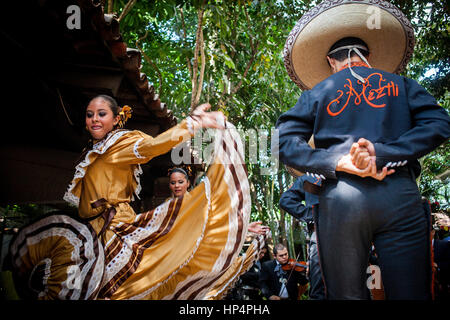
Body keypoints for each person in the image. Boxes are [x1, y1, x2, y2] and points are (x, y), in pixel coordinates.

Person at [277, 0, 450, 299]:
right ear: (368, 57)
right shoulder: (402, 85)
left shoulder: (317, 93)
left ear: (332, 62)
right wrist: (382, 153)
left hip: (341, 198)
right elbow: (440, 123)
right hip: (399, 194)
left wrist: (337, 161)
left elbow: (282, 142)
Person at [8, 94, 254, 300]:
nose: (94, 119)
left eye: (102, 113)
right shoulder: (92, 151)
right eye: (89, 114)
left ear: (116, 119)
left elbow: (153, 147)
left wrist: (192, 124)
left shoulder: (120, 142)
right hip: (92, 234)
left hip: (115, 231)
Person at [279, 174, 325, 300]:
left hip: (347, 234)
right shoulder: (310, 177)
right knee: (319, 289)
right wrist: (312, 215)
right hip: (322, 235)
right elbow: (286, 200)